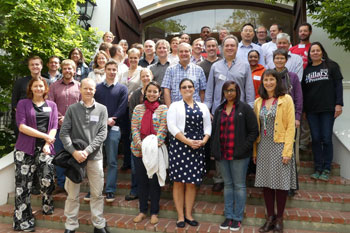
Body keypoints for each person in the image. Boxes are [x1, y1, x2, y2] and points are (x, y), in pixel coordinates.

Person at [60, 78, 109, 233]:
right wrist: (74, 152)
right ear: (80, 89)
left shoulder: (102, 109)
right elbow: (64, 132)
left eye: (91, 89)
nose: (89, 91)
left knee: (97, 193)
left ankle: (99, 224)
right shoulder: (72, 109)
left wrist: (87, 151)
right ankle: (70, 225)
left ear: (95, 90)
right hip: (75, 159)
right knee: (72, 194)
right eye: (86, 88)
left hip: (95, 157)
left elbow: (102, 133)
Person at [253, 69, 297, 233]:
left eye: (272, 79)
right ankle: (270, 217)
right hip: (263, 145)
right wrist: (255, 152)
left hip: (280, 145)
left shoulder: (286, 99)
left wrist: (287, 151)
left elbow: (291, 127)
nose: (269, 82)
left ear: (278, 82)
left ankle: (279, 219)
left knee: (281, 184)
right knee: (266, 184)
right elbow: (257, 129)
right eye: (266, 80)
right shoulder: (259, 102)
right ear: (262, 83)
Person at [211, 80, 258, 231]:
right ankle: (229, 216)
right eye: (226, 91)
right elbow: (214, 133)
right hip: (223, 154)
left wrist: (244, 148)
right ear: (223, 93)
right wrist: (215, 151)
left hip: (239, 156)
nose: (229, 93)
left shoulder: (244, 108)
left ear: (237, 91)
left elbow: (254, 131)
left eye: (232, 90)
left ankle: (237, 218)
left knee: (239, 186)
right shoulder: (219, 110)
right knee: (228, 186)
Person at [13, 77, 58, 232]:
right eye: (35, 86)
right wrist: (45, 136)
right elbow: (22, 127)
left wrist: (47, 142)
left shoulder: (52, 105)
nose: (38, 88)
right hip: (24, 149)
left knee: (47, 178)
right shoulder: (23, 104)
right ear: (30, 88)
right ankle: (22, 221)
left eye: (41, 86)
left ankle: (47, 202)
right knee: (23, 186)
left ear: (45, 88)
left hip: (45, 148)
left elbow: (53, 126)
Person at [167, 78, 211, 228]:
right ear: (180, 90)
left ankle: (189, 215)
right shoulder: (174, 106)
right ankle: (180, 216)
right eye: (184, 87)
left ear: (194, 89)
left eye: (190, 86)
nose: (187, 89)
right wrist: (187, 141)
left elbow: (208, 127)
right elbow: (172, 127)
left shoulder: (203, 106)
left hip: (198, 148)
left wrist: (204, 141)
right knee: (179, 183)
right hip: (180, 147)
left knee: (192, 183)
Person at [302, 42, 343, 181]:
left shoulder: (332, 66)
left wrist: (339, 104)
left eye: (317, 50)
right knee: (316, 139)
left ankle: (326, 168)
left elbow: (338, 86)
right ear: (309, 54)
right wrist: (304, 110)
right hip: (312, 110)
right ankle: (318, 167)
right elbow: (305, 92)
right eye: (312, 51)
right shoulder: (306, 70)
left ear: (322, 52)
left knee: (326, 138)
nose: (315, 53)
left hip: (328, 109)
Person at [131, 81, 168, 225]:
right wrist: (141, 146)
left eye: (155, 91)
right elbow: (134, 128)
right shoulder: (138, 108)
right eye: (149, 91)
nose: (152, 94)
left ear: (159, 94)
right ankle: (142, 211)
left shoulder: (163, 109)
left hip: (155, 151)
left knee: (154, 182)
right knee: (142, 181)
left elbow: (163, 130)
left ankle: (154, 212)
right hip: (138, 150)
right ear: (145, 93)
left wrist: (151, 147)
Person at [94, 60, 128, 202]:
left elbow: (122, 106)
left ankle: (110, 189)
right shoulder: (97, 88)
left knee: (112, 160)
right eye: (109, 69)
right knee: (96, 160)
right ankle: (95, 189)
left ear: (117, 71)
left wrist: (112, 118)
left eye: (114, 69)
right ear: (105, 70)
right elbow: (92, 105)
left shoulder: (122, 88)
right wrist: (103, 120)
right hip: (97, 128)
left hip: (114, 127)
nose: (112, 72)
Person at [48, 59, 81, 195]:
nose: (68, 71)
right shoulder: (54, 87)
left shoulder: (80, 86)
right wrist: (61, 118)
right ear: (62, 70)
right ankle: (61, 184)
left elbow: (83, 105)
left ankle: (72, 184)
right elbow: (50, 106)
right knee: (60, 155)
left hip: (76, 128)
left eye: (70, 68)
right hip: (59, 127)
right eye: (65, 68)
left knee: (73, 155)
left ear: (74, 70)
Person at [205, 35, 255, 114]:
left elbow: (249, 89)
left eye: (232, 45)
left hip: (239, 111)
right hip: (219, 110)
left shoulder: (245, 66)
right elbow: (209, 90)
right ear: (222, 48)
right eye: (227, 46)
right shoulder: (215, 66)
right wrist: (207, 108)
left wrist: (250, 107)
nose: (229, 48)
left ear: (237, 48)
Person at [125, 68, 154, 201]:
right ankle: (135, 190)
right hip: (137, 134)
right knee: (136, 166)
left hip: (153, 135)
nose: (145, 78)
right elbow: (131, 114)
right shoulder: (135, 95)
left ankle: (149, 192)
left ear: (151, 76)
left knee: (151, 165)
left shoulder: (156, 92)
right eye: (143, 76)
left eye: (147, 75)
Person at [118, 48, 143, 170]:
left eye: (135, 57)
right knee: (126, 135)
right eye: (131, 58)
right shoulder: (122, 73)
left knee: (135, 134)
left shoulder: (142, 71)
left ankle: (135, 162)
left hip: (136, 108)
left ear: (139, 58)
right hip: (124, 108)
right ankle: (126, 161)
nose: (133, 60)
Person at [162, 43, 207, 107]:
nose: (184, 54)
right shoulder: (170, 70)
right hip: (176, 108)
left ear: (191, 53)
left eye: (186, 51)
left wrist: (200, 107)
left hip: (194, 108)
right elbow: (166, 90)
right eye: (181, 51)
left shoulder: (199, 70)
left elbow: (202, 91)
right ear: (177, 54)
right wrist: (170, 108)